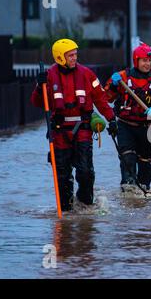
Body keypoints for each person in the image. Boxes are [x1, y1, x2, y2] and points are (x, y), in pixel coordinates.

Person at [31, 38, 117, 211]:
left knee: (85, 172)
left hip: (83, 129)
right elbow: (37, 102)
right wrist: (40, 88)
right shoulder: (48, 76)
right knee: (62, 175)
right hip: (60, 131)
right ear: (60, 57)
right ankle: (66, 209)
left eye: (75, 54)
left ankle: (85, 205)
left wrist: (112, 119)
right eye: (70, 55)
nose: (74, 58)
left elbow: (100, 98)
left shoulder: (87, 74)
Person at [104, 43, 151, 193]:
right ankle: (128, 189)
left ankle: (144, 190)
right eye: (144, 61)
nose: (148, 64)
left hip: (147, 127)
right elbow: (106, 98)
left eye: (150, 61)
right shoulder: (122, 77)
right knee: (128, 158)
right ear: (136, 61)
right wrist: (113, 86)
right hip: (126, 125)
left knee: (145, 162)